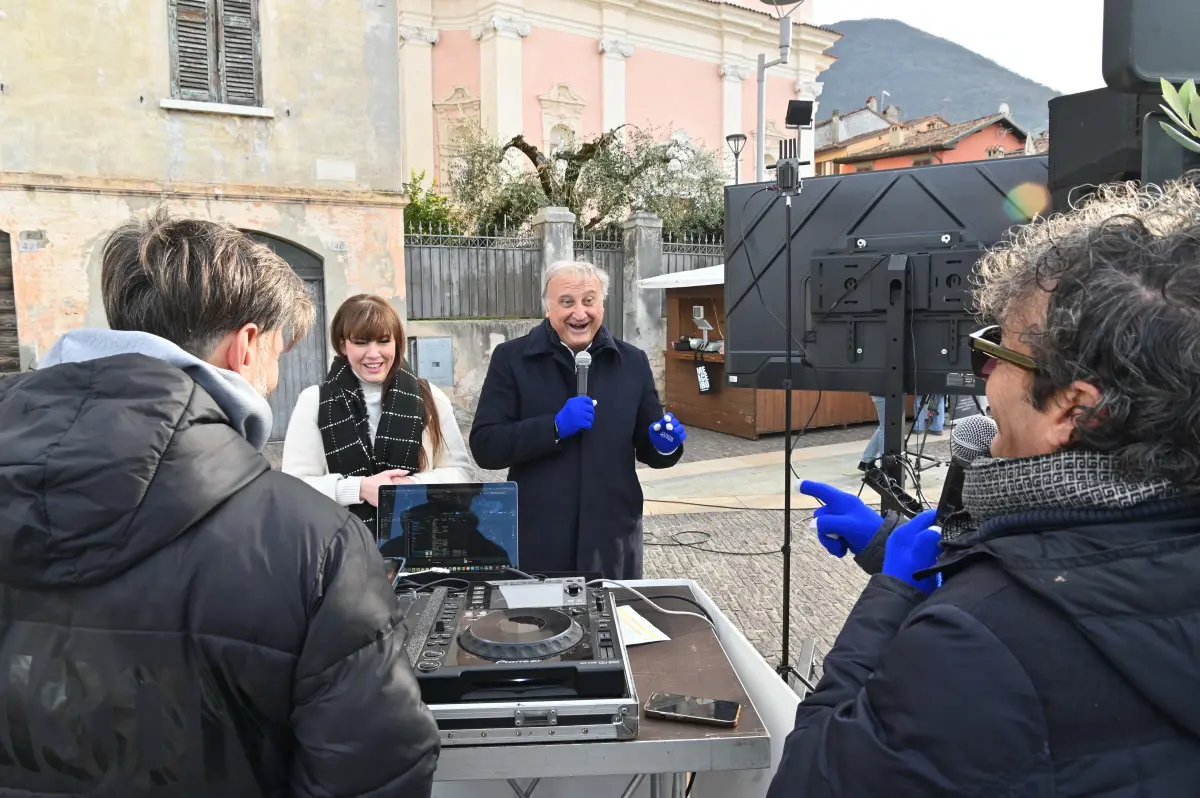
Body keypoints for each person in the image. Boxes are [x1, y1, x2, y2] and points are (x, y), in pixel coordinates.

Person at [771, 179, 1200, 796]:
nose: (986, 376)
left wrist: (892, 593)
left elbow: (809, 779)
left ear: (1073, 411)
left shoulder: (975, 641)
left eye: (997, 353)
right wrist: (888, 544)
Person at [0, 210, 439, 796]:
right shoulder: (318, 546)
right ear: (247, 346)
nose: (276, 379)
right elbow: (372, 772)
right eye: (279, 354)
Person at [469, 260, 686, 579]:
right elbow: (486, 446)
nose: (580, 313)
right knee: (540, 627)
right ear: (548, 308)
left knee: (609, 625)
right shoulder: (512, 359)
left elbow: (649, 447)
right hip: (538, 539)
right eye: (567, 302)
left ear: (602, 304)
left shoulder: (632, 363)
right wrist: (553, 428)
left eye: (589, 301)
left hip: (612, 540)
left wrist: (664, 447)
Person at [282, 293, 471, 533]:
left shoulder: (429, 397)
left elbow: (461, 474)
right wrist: (359, 489)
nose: (373, 354)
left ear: (397, 343)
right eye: (361, 342)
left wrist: (410, 485)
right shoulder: (314, 401)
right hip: (340, 551)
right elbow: (292, 488)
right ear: (343, 345)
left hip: (420, 544)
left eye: (383, 341)